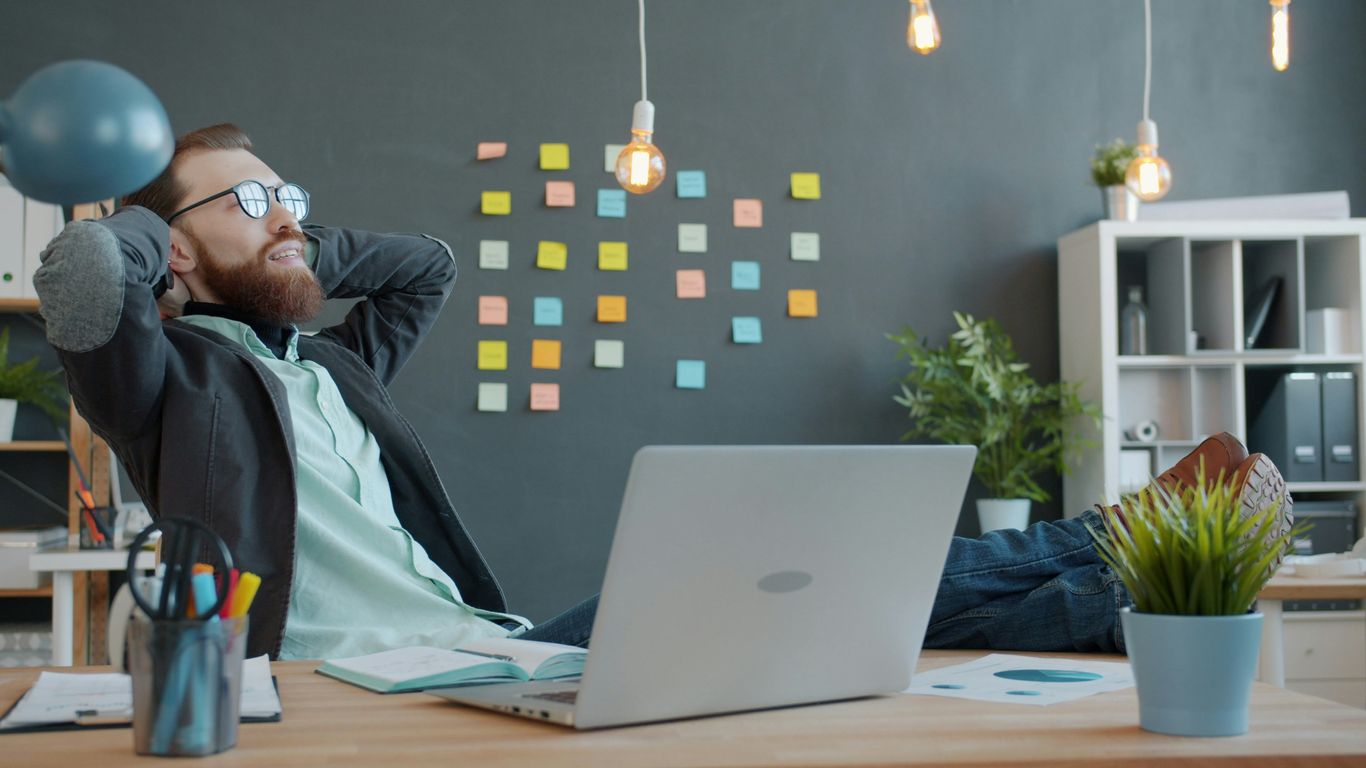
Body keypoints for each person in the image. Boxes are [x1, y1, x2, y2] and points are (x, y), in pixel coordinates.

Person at [34, 124, 1290, 660]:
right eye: (252, 201)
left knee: (811, 614)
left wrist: (283, 237)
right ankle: (1124, 554)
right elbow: (89, 270)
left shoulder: (332, 370)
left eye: (292, 194)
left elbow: (426, 266)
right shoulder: (162, 381)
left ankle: (1108, 581)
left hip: (479, 655)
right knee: (792, 595)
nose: (290, 216)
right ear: (179, 256)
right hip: (348, 689)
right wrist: (179, 241)